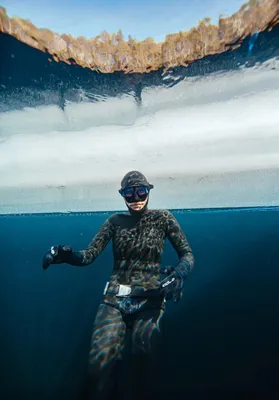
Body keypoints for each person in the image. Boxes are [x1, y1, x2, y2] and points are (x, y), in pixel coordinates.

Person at [42, 171, 195, 400]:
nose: (136, 198)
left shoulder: (164, 218)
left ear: (149, 190)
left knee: (144, 363)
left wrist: (179, 274)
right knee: (98, 366)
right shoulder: (114, 222)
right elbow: (88, 256)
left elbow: (187, 255)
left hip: (151, 297)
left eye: (141, 191)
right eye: (129, 193)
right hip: (114, 299)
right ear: (122, 195)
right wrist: (66, 255)